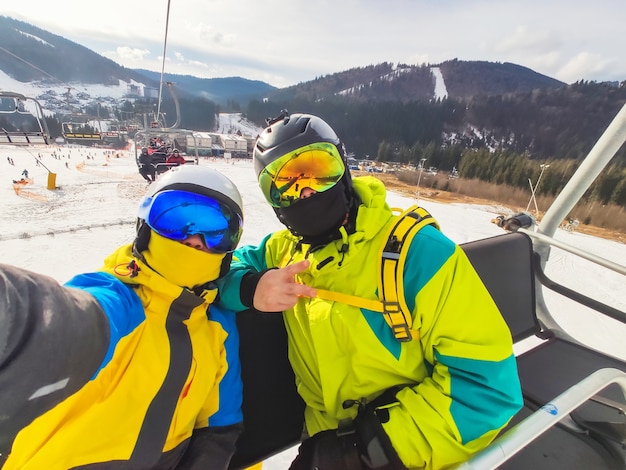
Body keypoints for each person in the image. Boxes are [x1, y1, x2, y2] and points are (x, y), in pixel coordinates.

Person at [216, 112, 523, 469]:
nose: (306, 191)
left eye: (318, 168)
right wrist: (250, 286)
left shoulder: (419, 256)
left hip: (411, 449)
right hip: (322, 442)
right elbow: (222, 268)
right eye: (284, 183)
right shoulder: (282, 252)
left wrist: (366, 451)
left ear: (344, 169)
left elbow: (488, 393)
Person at [0, 166, 245, 469]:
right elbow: (67, 322)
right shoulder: (120, 300)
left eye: (217, 231)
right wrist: (16, 319)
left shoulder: (217, 327)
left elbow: (220, 427)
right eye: (175, 221)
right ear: (145, 227)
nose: (194, 240)